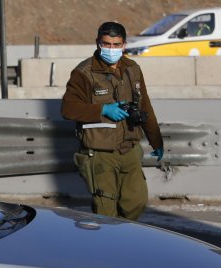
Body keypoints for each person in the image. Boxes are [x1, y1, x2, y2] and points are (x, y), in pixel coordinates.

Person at [61, 21, 163, 221]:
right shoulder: (83, 73)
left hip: (130, 150)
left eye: (116, 45)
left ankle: (122, 241)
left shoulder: (132, 69)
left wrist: (156, 140)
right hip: (100, 153)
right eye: (106, 44)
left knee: (137, 202)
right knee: (106, 210)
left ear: (124, 45)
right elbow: (68, 109)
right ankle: (107, 248)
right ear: (98, 43)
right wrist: (103, 110)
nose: (111, 49)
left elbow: (145, 106)